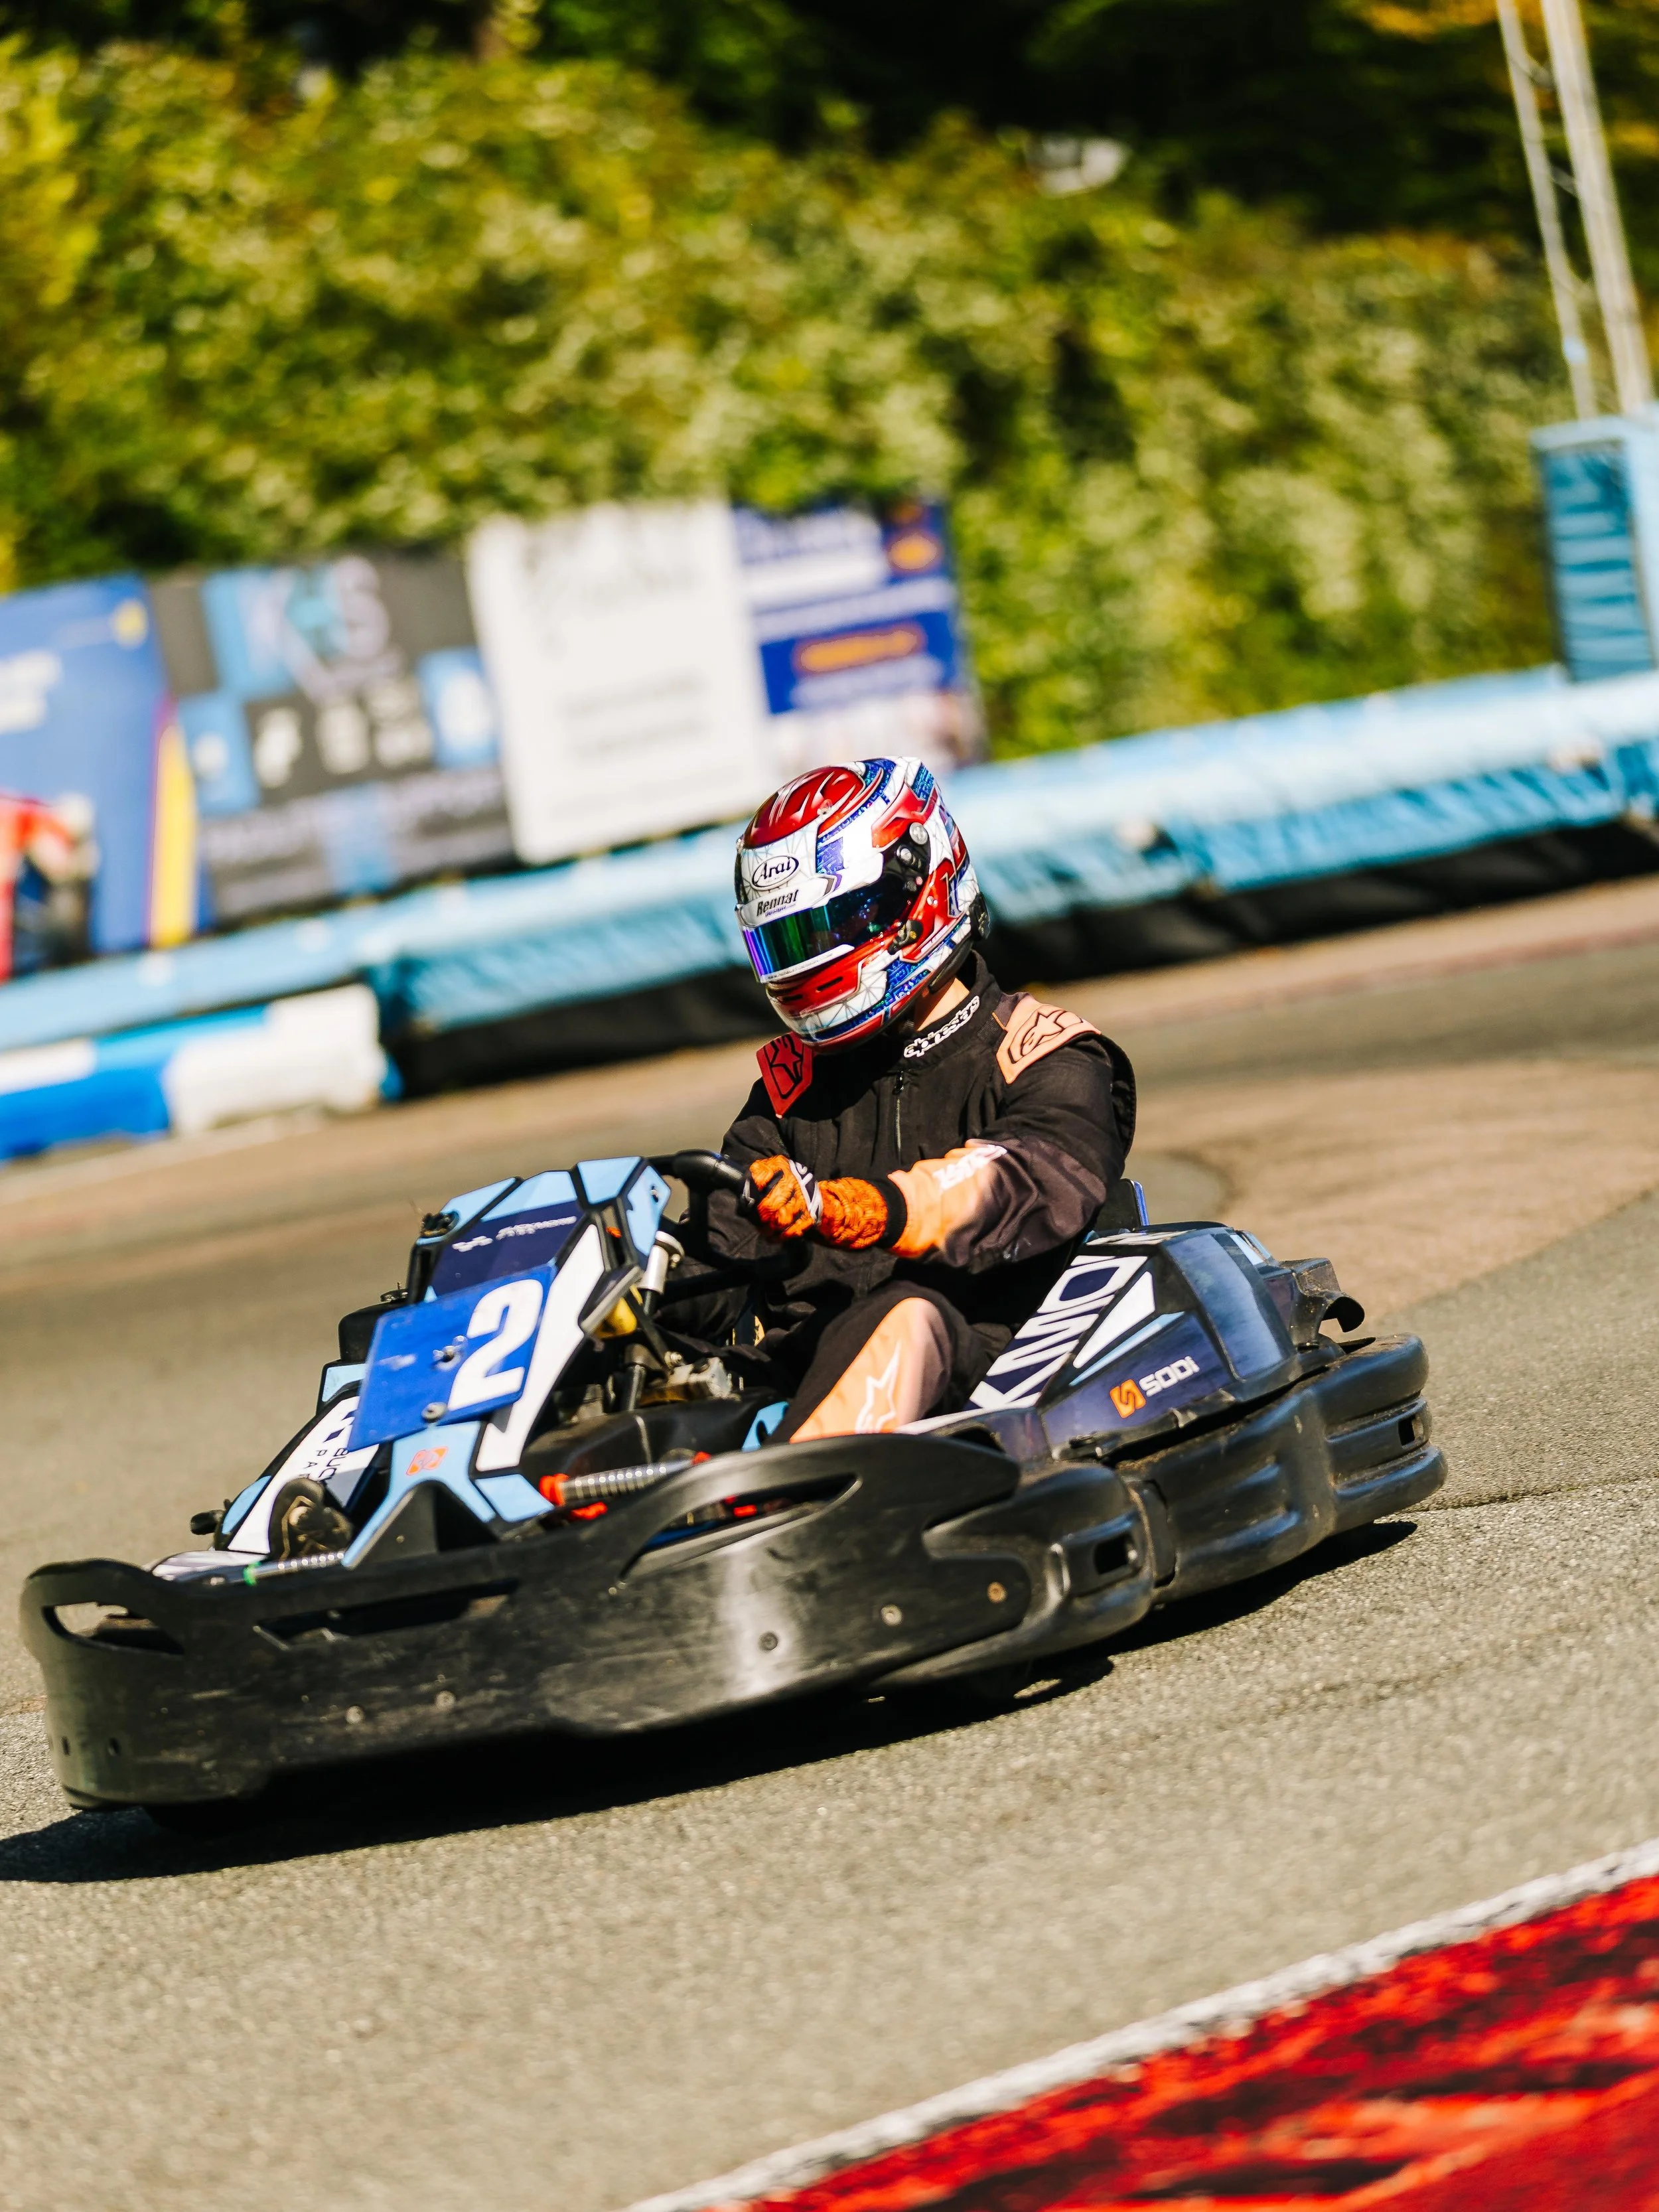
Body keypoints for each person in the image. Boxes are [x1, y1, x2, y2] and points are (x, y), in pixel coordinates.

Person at [684, 757, 1136, 1439]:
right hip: (799, 1382)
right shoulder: (786, 1099)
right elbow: (718, 1264)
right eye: (789, 941)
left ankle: (783, 1510)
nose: (808, 961)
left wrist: (863, 1208)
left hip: (990, 1373)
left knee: (902, 1315)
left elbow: (1023, 1180)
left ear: (913, 896)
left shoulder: (1047, 1055)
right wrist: (633, 1284)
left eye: (827, 929)